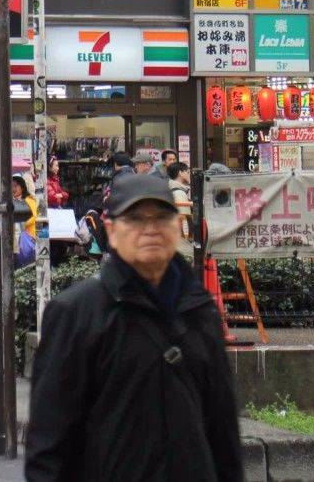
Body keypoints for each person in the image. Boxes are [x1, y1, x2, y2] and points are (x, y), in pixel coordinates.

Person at [26, 173, 244, 482]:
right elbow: (48, 445)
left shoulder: (200, 310)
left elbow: (223, 434)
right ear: (111, 230)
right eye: (136, 219)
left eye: (161, 217)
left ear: (177, 226)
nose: (150, 229)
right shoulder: (76, 313)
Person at [168, 162, 194, 255]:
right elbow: (185, 220)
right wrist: (189, 239)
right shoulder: (179, 193)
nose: (189, 175)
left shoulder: (172, 190)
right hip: (182, 245)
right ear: (180, 173)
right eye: (187, 172)